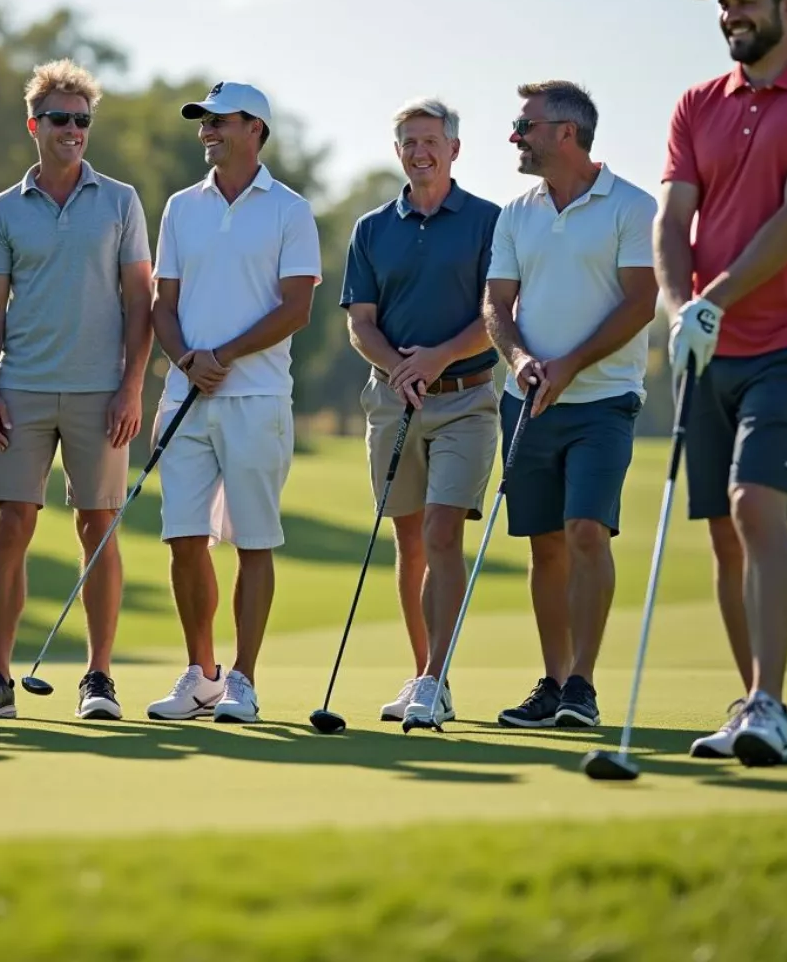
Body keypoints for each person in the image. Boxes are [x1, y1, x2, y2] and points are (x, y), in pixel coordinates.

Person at [655, 0, 787, 767]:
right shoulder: (697, 103)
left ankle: (771, 704)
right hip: (707, 345)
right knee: (723, 534)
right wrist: (677, 311)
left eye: (745, 0)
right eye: (721, 1)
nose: (730, 13)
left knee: (755, 507)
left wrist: (713, 300)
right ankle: (751, 706)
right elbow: (671, 224)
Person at [0, 59, 152, 722]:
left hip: (101, 393)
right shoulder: (6, 209)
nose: (73, 130)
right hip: (24, 387)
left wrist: (131, 387)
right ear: (34, 124)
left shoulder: (120, 200)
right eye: (61, 119)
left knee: (97, 527)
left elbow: (139, 302)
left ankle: (99, 678)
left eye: (83, 120)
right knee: (11, 525)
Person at [483, 80, 657, 730]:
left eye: (524, 125)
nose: (514, 136)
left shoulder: (632, 206)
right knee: (545, 545)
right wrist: (523, 362)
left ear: (565, 132)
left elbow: (641, 302)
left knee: (587, 531)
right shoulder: (517, 211)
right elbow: (497, 305)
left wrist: (570, 366)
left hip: (603, 401)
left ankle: (582, 683)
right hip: (526, 401)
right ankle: (553, 682)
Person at [146, 81, 321, 724]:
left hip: (257, 396)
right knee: (184, 539)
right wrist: (188, 360)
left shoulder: (289, 210)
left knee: (253, 540)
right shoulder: (180, 207)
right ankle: (203, 675)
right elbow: (163, 304)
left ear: (256, 128)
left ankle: (244, 679)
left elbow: (296, 307)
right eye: (203, 121)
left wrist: (225, 356)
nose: (206, 131)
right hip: (186, 393)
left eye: (220, 121)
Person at [340, 97, 501, 729]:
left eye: (431, 140)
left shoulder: (490, 221)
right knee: (409, 543)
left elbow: (496, 315)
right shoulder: (373, 227)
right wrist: (400, 368)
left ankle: (436, 678)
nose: (420, 151)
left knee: (441, 532)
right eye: (409, 141)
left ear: (455, 149)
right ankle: (424, 675)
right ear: (398, 151)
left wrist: (436, 359)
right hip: (392, 399)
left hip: (466, 399)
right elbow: (360, 323)